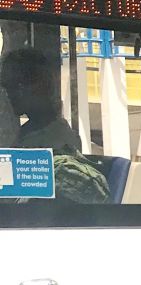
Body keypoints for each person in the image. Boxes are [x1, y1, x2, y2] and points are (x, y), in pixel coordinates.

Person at [0, 47, 109, 204]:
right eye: (6, 86)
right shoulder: (28, 132)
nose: (10, 93)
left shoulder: (58, 142)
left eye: (16, 84)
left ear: (40, 85)